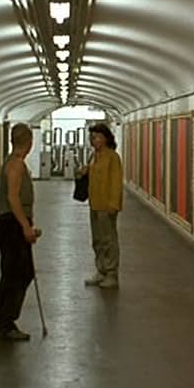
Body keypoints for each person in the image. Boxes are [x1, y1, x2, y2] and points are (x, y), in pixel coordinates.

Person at [0, 123, 39, 340]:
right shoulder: (16, 165)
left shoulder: (13, 162)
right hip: (12, 224)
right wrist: (25, 226)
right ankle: (4, 321)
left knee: (16, 272)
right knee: (18, 273)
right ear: (29, 142)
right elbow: (13, 198)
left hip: (12, 223)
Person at [80, 123, 123, 289]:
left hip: (107, 205)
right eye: (92, 137)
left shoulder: (112, 157)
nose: (93, 140)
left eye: (97, 136)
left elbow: (116, 182)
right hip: (95, 204)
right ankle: (101, 270)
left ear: (106, 138)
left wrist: (114, 204)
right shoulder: (94, 156)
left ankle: (112, 273)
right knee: (97, 239)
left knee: (108, 240)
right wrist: (86, 171)